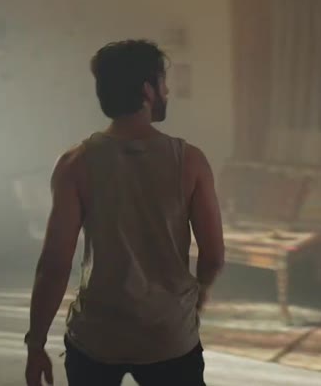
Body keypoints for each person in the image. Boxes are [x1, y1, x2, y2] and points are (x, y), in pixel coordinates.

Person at [24, 40, 225, 386]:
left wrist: (36, 342)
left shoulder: (74, 164)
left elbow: (54, 264)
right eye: (163, 82)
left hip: (96, 335)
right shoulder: (190, 161)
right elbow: (214, 255)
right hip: (168, 335)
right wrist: (199, 294)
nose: (167, 91)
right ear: (148, 90)